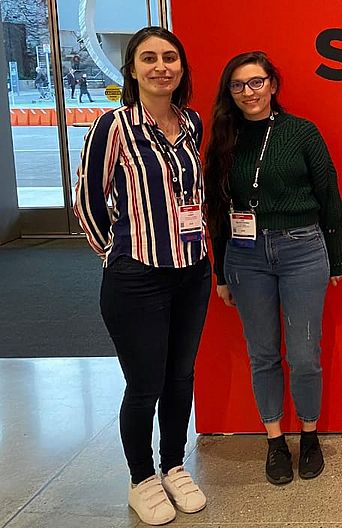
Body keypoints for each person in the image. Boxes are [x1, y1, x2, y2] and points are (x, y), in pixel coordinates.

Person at [74, 26, 210, 526]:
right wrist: (116, 254)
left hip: (192, 272)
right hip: (138, 277)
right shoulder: (112, 126)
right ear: (132, 69)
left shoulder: (191, 122)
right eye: (148, 58)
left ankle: (173, 464)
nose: (160, 67)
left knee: (181, 376)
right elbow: (88, 200)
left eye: (169, 58)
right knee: (145, 382)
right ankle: (141, 478)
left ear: (181, 68)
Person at [204, 51, 342, 486]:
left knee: (304, 355)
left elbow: (329, 194)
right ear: (229, 92)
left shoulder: (301, 132)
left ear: (273, 85)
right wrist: (221, 271)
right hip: (245, 255)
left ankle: (309, 435)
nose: (248, 92)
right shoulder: (223, 137)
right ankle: (274, 441)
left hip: (302, 249)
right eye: (238, 85)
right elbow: (217, 209)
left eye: (256, 82)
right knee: (262, 353)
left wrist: (337, 257)